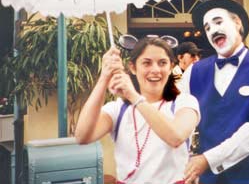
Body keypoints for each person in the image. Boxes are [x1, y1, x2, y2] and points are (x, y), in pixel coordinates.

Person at [180, 0, 249, 184]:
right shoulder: (193, 72)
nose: (212, 31)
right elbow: (179, 123)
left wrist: (208, 159)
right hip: (207, 179)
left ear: (237, 23)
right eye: (207, 27)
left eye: (218, 22)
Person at [75, 36, 200, 183]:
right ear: (133, 68)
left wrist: (133, 96)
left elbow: (176, 137)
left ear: (171, 67)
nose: (155, 70)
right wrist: (104, 77)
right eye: (146, 63)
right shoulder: (118, 109)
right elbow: (83, 137)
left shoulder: (184, 102)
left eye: (162, 63)